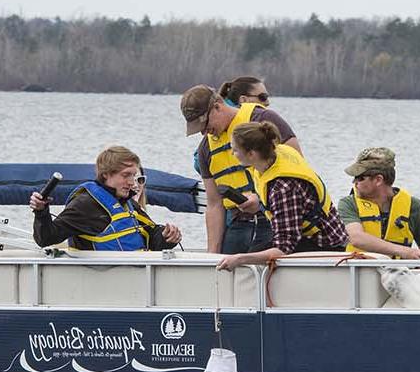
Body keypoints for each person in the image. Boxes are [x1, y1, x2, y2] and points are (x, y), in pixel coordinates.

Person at [180, 82, 302, 255]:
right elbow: (214, 204)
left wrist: (260, 200)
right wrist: (212, 255)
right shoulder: (205, 149)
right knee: (226, 272)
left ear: (217, 106)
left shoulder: (263, 119)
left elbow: (298, 168)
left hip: (274, 219)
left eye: (205, 123)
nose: (204, 132)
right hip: (238, 225)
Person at [215, 122, 347, 270]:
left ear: (252, 154)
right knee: (254, 252)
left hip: (324, 246)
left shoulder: (283, 188)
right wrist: (258, 203)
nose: (233, 154)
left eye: (235, 150)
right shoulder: (277, 153)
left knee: (247, 262)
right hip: (310, 236)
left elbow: (284, 248)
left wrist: (240, 258)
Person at [30, 145, 181, 251]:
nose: (131, 182)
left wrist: (166, 237)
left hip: (133, 280)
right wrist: (41, 212)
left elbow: (152, 237)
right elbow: (45, 239)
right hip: (102, 286)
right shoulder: (85, 205)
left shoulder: (127, 204)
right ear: (106, 175)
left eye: (133, 175)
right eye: (126, 175)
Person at [339, 147, 420, 259]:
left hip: (400, 274)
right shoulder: (348, 204)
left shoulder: (415, 207)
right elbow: (356, 238)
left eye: (360, 178)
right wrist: (405, 251)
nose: (354, 182)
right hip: (358, 273)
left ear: (378, 180)